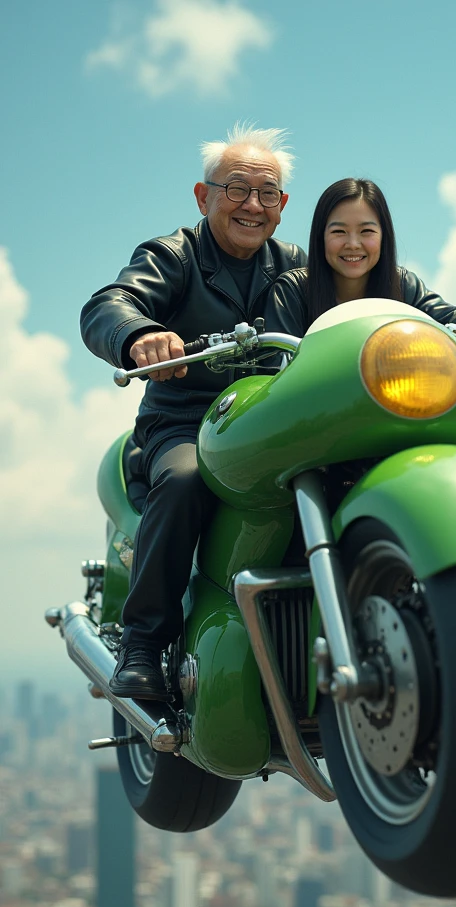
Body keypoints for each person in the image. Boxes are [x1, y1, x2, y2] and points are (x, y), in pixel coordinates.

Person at [81, 124, 306, 701]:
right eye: (236, 189)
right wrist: (140, 334)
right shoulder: (173, 255)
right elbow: (110, 303)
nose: (252, 205)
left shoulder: (298, 266)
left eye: (268, 193)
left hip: (268, 426)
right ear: (204, 197)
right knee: (183, 481)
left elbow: (379, 290)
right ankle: (143, 644)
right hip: (185, 422)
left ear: (282, 208)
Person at [264, 178, 456, 367]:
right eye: (338, 232)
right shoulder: (292, 290)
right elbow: (278, 369)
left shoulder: (403, 284)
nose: (353, 243)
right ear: (320, 237)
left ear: (384, 236)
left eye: (367, 231)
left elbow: (447, 316)